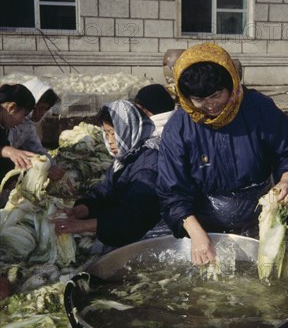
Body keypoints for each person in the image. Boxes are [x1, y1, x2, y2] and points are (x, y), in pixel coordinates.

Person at [156, 42, 288, 265]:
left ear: (233, 84)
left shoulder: (259, 109)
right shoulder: (178, 128)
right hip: (202, 222)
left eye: (217, 95)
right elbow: (171, 193)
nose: (210, 106)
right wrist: (198, 235)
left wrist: (287, 182)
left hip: (258, 217)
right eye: (199, 100)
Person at [54, 98, 167, 248]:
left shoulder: (148, 167)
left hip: (153, 242)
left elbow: (132, 218)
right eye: (106, 134)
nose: (111, 141)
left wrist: (83, 225)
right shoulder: (127, 157)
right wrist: (83, 209)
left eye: (114, 133)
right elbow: (105, 190)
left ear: (130, 129)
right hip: (125, 230)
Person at [8, 77, 64, 181]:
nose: (40, 113)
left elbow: (36, 148)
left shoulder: (28, 126)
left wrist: (52, 166)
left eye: (45, 109)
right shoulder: (9, 120)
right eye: (38, 108)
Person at [0, 83, 36, 182]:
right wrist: (9, 151)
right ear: (12, 108)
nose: (21, 121)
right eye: (23, 115)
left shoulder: (3, 127)